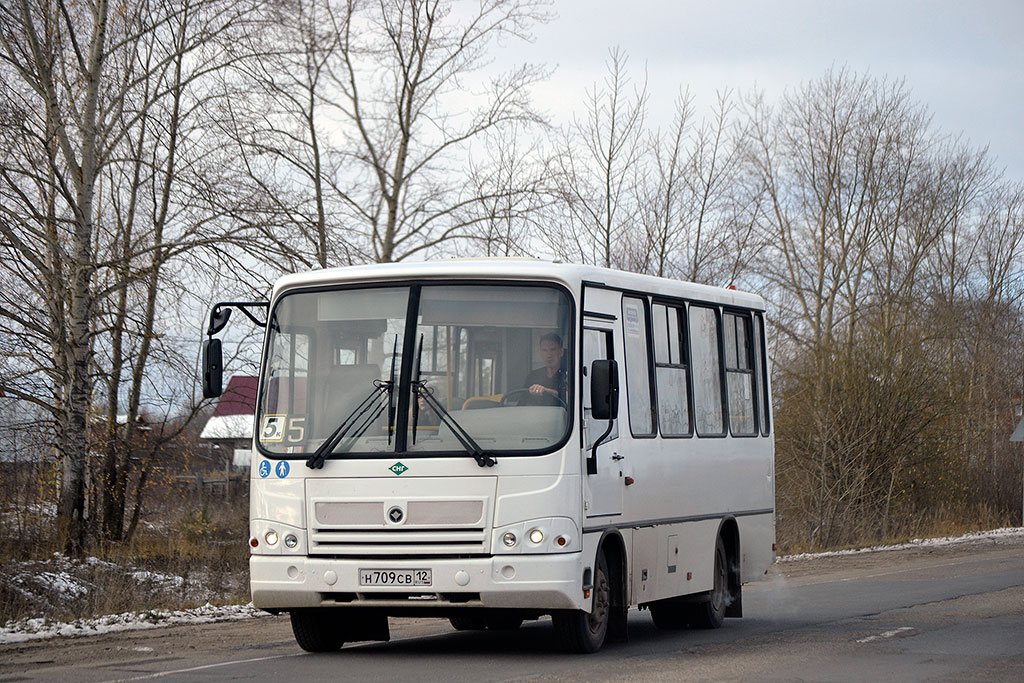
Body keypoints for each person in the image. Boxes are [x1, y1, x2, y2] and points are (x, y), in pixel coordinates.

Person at [522, 333, 566, 406]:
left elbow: (569, 399)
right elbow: (522, 402)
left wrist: (545, 391)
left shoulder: (569, 375)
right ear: (540, 353)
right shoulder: (533, 376)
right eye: (544, 350)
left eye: (553, 349)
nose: (549, 355)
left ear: (561, 352)